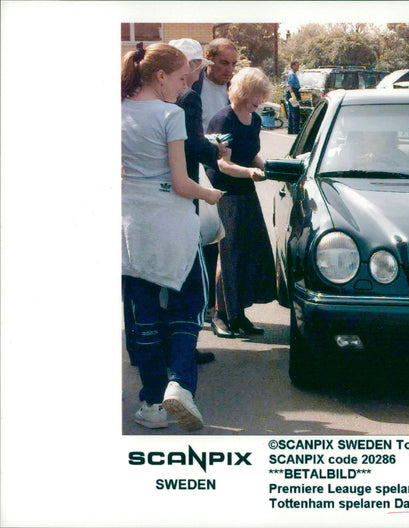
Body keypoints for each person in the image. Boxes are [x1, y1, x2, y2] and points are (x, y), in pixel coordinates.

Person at [121, 42, 224, 431]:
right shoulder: (169, 114)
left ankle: (151, 402)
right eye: (182, 78)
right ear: (160, 76)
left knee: (143, 314)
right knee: (190, 304)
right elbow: (182, 183)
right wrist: (210, 193)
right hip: (172, 225)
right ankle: (180, 384)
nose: (186, 87)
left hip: (131, 228)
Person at [170, 38, 232, 364]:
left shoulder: (146, 98)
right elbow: (191, 146)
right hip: (186, 191)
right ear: (194, 66)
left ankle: (153, 346)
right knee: (192, 276)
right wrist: (215, 150)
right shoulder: (189, 97)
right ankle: (184, 350)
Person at [205, 68, 277, 337]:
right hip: (225, 193)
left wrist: (268, 168)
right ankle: (220, 316)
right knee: (229, 255)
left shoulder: (254, 120)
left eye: (261, 95)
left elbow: (253, 155)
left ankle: (238, 314)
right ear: (244, 91)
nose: (259, 100)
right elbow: (222, 163)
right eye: (256, 94)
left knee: (248, 252)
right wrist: (249, 172)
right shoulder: (223, 120)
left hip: (246, 191)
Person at [189, 37, 238, 324]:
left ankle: (223, 306)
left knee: (226, 240)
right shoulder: (194, 88)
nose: (229, 69)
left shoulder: (235, 88)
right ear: (209, 61)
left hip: (226, 170)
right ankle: (205, 306)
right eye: (223, 63)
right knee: (206, 239)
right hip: (197, 171)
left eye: (233, 64)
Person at [285, 60, 301, 134]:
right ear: (293, 66)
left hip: (294, 92)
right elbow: (290, 86)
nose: (298, 67)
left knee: (293, 111)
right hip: (292, 93)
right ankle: (295, 129)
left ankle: (291, 129)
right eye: (297, 66)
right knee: (294, 112)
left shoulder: (293, 74)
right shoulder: (291, 74)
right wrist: (293, 96)